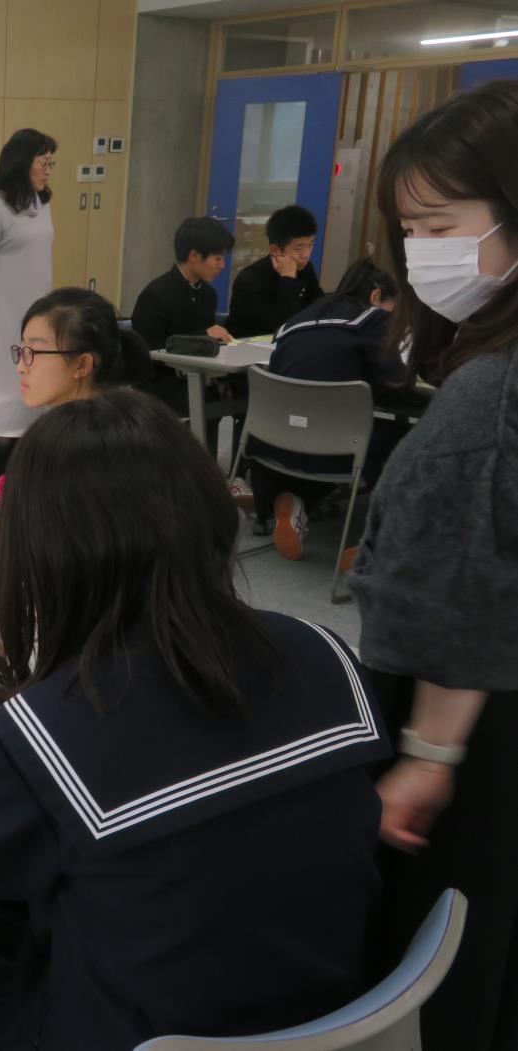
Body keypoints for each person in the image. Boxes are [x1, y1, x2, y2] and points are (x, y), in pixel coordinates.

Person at [0, 389, 390, 1051]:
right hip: (334, 1009)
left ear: (44, 557)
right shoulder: (327, 650)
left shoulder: (50, 733)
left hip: (142, 1034)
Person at [348, 79, 518, 1050]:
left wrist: (428, 754)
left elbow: (465, 595)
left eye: (440, 222)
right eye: (409, 227)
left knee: (448, 935)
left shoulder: (487, 397)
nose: (421, 251)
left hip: (472, 732)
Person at [0, 287, 149, 538]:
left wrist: (22, 535)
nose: (21, 368)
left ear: (82, 364)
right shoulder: (55, 433)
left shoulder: (111, 446)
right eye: (21, 351)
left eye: (33, 353)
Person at [246, 258, 407, 560]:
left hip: (273, 448)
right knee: (405, 435)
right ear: (375, 297)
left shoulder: (295, 320)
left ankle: (295, 502)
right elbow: (395, 380)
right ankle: (381, 542)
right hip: (337, 451)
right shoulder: (372, 319)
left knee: (318, 422)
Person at [0, 128, 57, 481]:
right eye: (43, 162)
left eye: (51, 163)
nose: (48, 169)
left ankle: (26, 493)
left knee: (36, 411)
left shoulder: (41, 205)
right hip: (5, 323)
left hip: (40, 319)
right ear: (22, 163)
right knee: (7, 416)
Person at [131, 216, 235, 414]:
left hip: (196, 378)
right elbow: (149, 353)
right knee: (205, 404)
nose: (222, 266)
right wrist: (204, 335)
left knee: (236, 392)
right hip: (162, 383)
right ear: (194, 255)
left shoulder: (208, 294)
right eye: (218, 258)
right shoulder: (155, 295)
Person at [224, 203, 323, 337]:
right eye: (298, 248)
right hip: (248, 350)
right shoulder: (250, 280)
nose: (305, 254)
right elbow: (282, 326)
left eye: (310, 245)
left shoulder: (305, 269)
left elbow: (320, 308)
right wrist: (288, 278)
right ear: (275, 250)